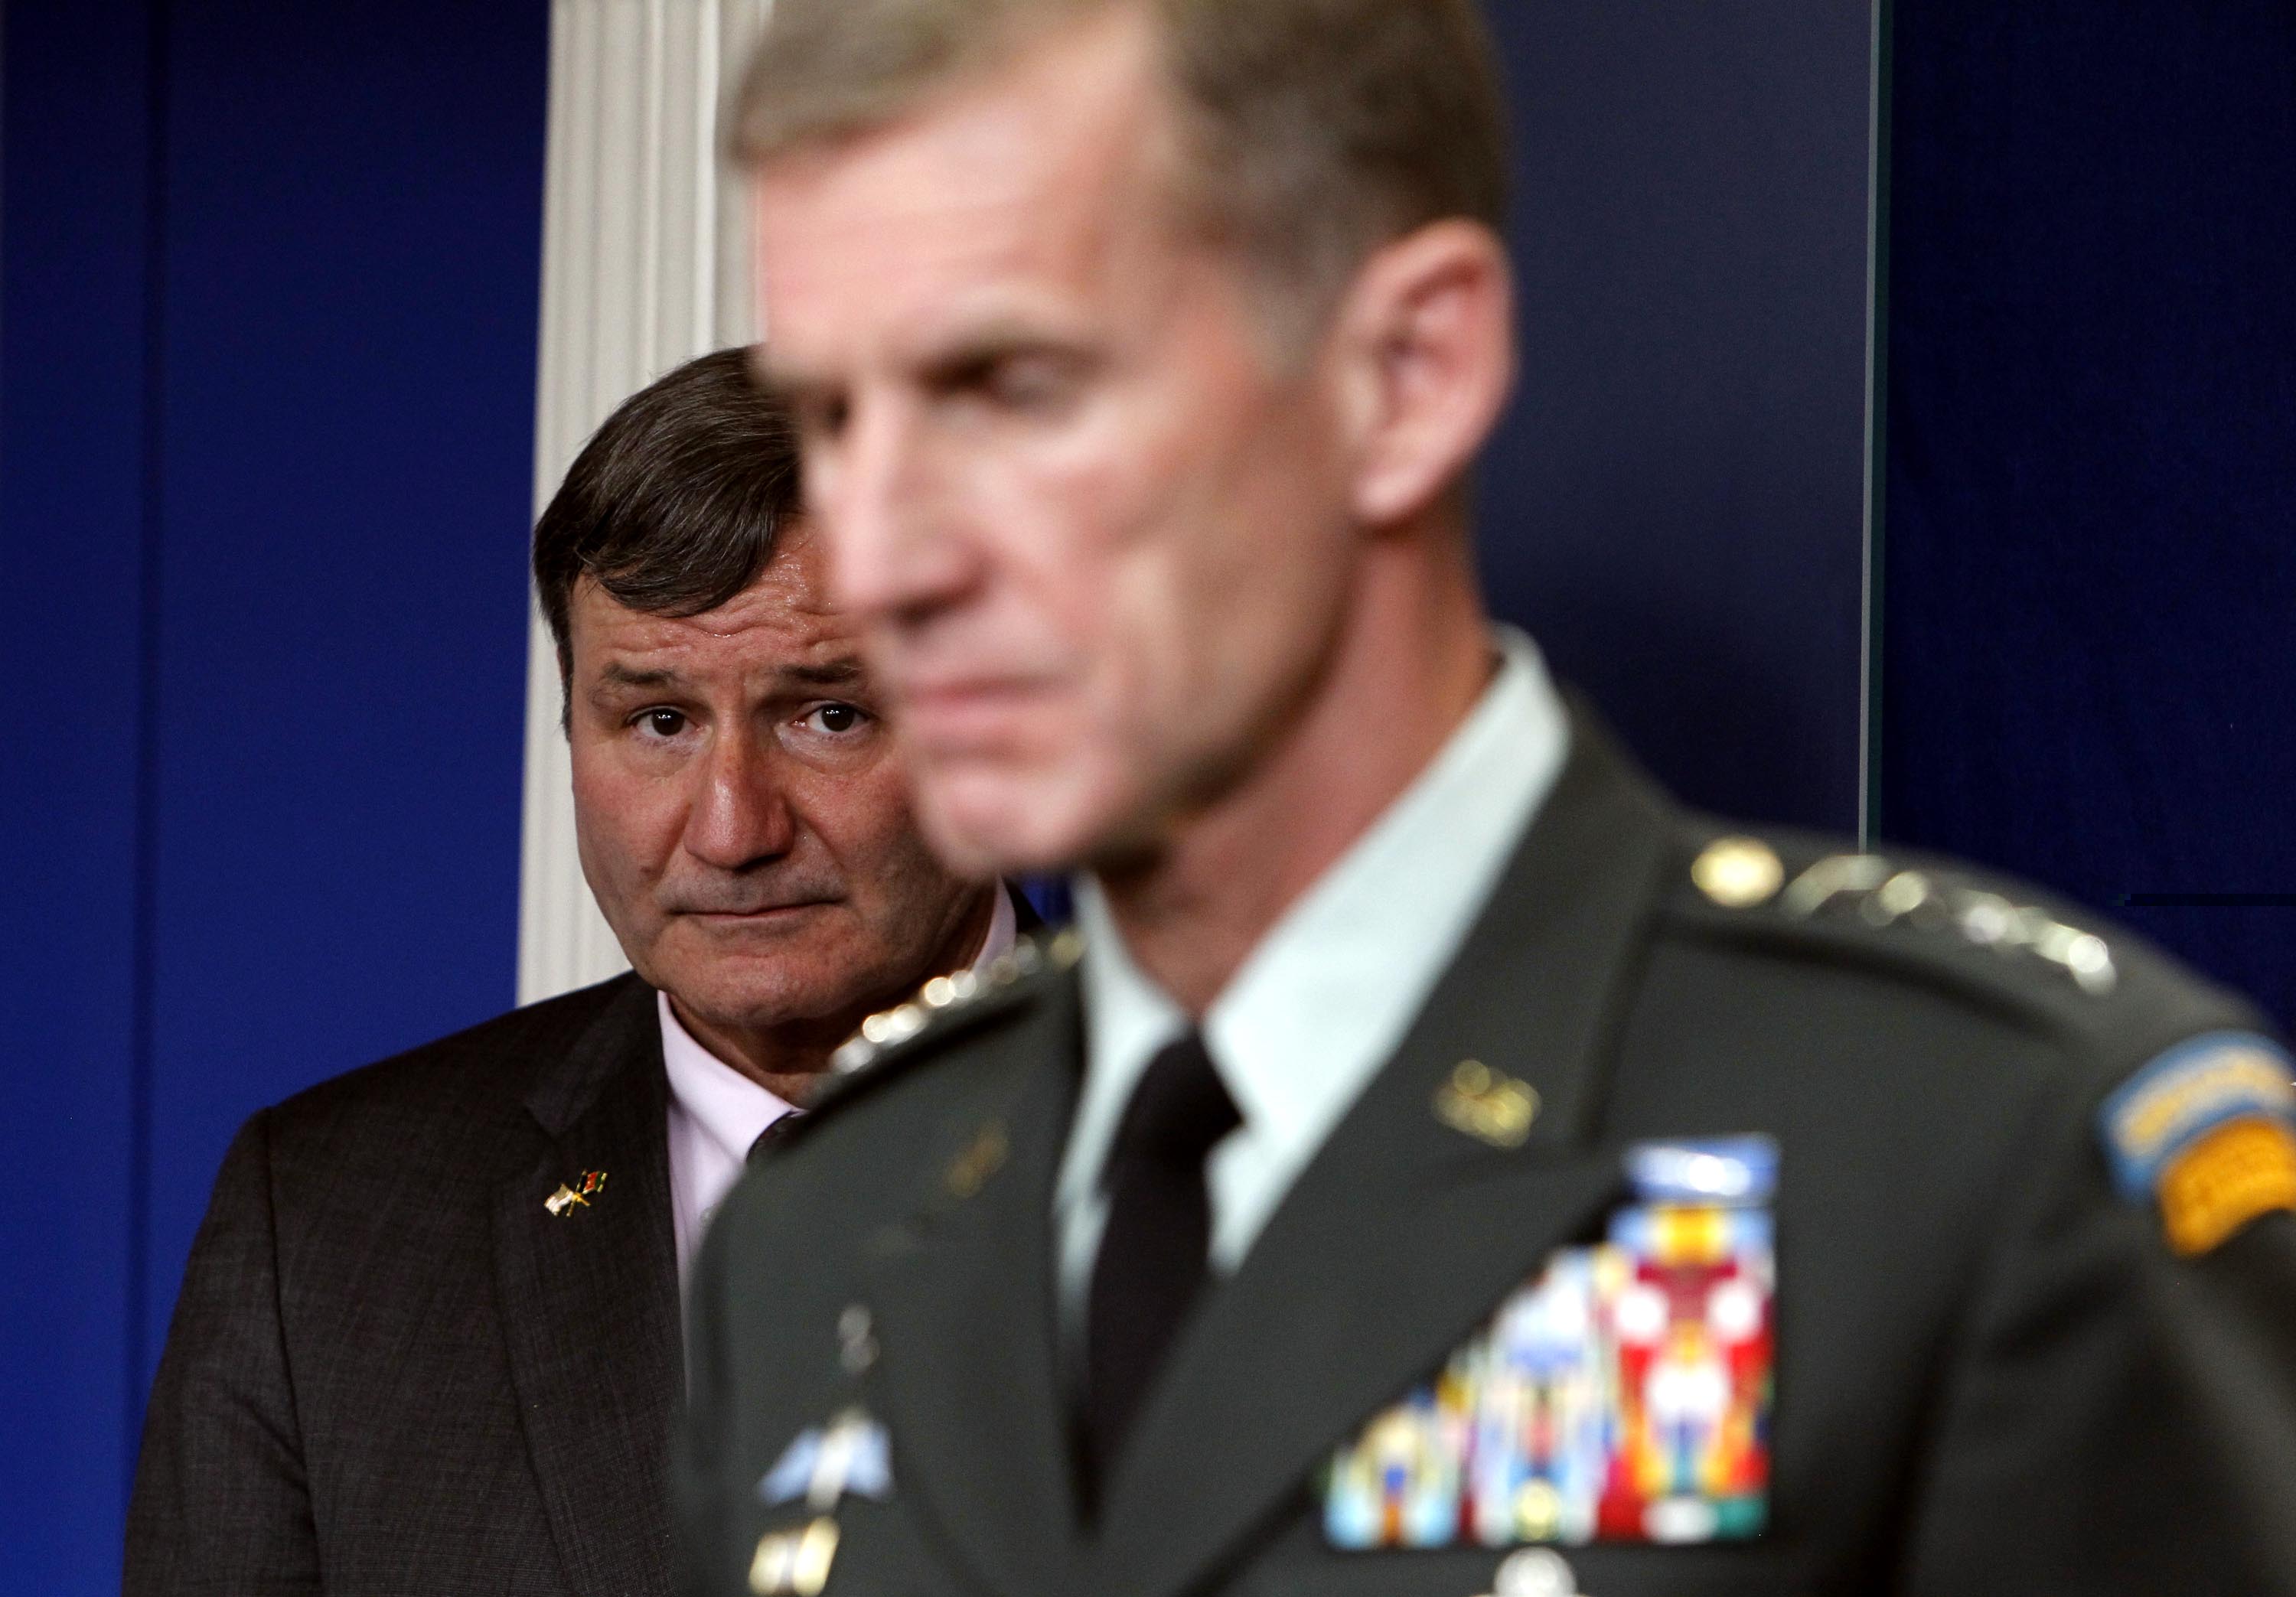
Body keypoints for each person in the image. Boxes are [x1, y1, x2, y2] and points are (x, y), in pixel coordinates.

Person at [677, 5, 2296, 1596]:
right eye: (836, 420)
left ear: (1408, 374)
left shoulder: (1980, 1158)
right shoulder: (831, 1223)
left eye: (1012, 388)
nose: (882, 556)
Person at [124, 349, 1028, 1597]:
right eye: (658, 721)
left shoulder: (1274, 1152)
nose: (732, 830)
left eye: (829, 713)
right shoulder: (325, 1233)